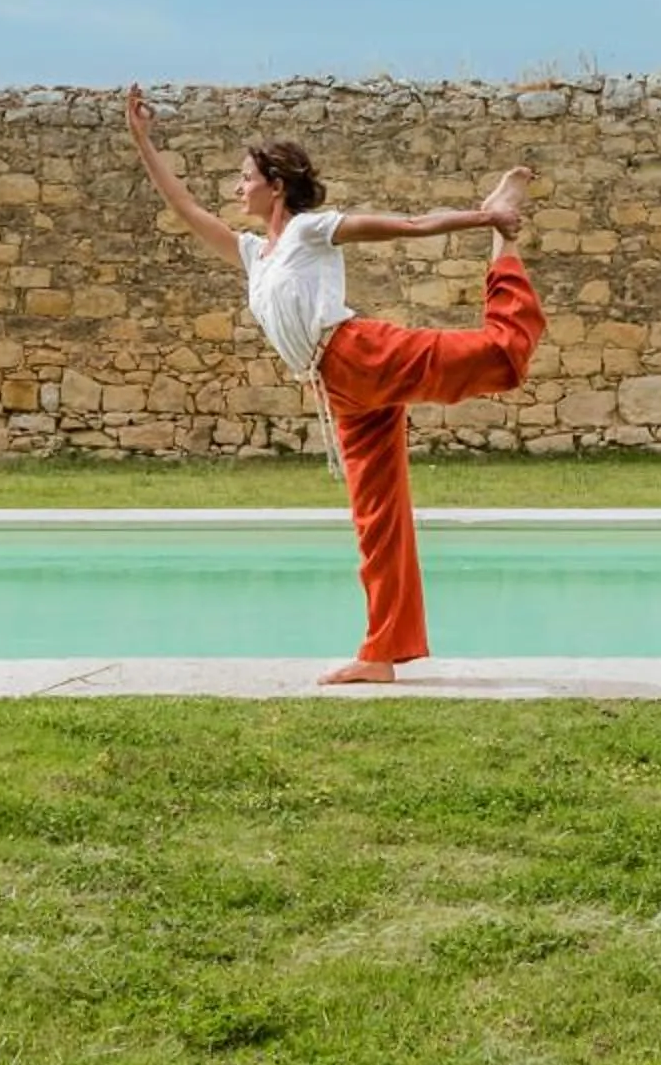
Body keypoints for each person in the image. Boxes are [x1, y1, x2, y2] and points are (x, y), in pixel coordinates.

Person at [125, 85, 544, 685]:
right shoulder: (253, 253)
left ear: (276, 184)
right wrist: (143, 141)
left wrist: (488, 218)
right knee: (377, 518)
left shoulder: (308, 231)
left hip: (358, 354)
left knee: (503, 357)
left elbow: (407, 224)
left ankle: (503, 250)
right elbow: (187, 210)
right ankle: (380, 654)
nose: (238, 188)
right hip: (337, 390)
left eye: (246, 178)